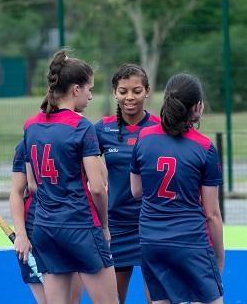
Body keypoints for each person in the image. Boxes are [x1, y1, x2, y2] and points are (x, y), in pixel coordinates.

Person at [23, 50, 117, 304]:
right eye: (89, 88)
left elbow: (32, 184)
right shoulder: (81, 126)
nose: (90, 95)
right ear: (76, 89)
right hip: (81, 225)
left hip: (45, 227)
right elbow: (97, 187)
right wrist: (105, 226)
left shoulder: (31, 126)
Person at [130, 73, 224, 304]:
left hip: (152, 240)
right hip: (190, 241)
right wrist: (219, 256)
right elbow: (211, 214)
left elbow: (136, 191)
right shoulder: (204, 147)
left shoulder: (143, 137)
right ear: (197, 107)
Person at [95, 64, 159, 304]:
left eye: (136, 90)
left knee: (157, 298)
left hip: (152, 223)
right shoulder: (101, 129)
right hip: (116, 226)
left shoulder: (160, 127)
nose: (130, 97)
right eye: (123, 91)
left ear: (147, 92)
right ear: (114, 92)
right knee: (115, 298)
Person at [10, 140, 84, 304]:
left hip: (72, 230)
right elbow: (16, 192)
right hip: (35, 233)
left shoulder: (79, 139)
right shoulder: (26, 144)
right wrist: (21, 235)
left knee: (72, 300)